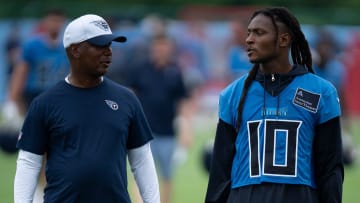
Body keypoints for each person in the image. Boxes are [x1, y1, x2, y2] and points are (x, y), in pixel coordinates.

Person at [14, 14, 160, 203]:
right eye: (100, 45)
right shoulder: (45, 103)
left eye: (109, 45)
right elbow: (29, 163)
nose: (108, 52)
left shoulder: (127, 100)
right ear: (75, 50)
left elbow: (142, 161)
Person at [205, 7, 343, 203]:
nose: (249, 39)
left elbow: (330, 169)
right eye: (249, 33)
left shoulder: (320, 92)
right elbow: (220, 172)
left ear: (283, 40)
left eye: (259, 33)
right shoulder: (233, 94)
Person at [126, 33, 189, 203]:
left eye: (165, 46)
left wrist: (185, 130)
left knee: (167, 176)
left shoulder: (176, 71)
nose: (161, 50)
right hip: (143, 132)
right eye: (158, 46)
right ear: (152, 48)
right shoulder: (140, 69)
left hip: (168, 133)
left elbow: (182, 102)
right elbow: (130, 96)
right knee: (140, 173)